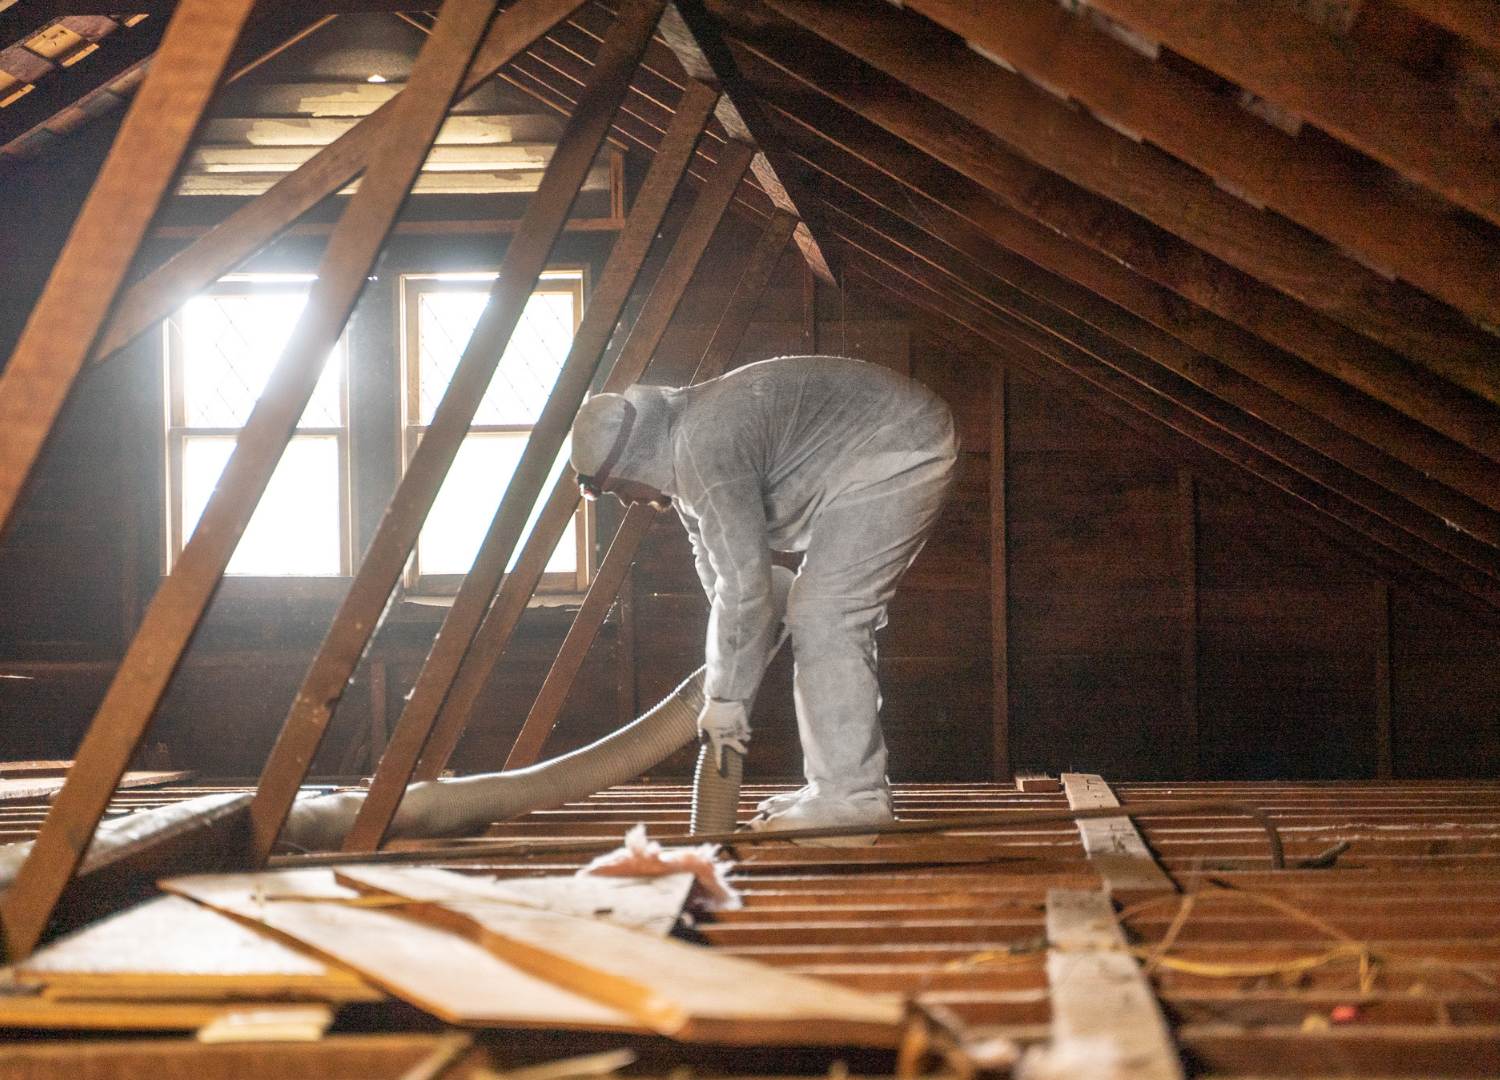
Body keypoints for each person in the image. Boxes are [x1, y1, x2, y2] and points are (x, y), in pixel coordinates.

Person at [570, 355, 957, 837]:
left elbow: (746, 581)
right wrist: (733, 661)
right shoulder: (683, 452)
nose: (626, 500)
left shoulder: (701, 446)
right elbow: (716, 568)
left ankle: (853, 800)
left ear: (630, 461)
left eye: (613, 488)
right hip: (876, 448)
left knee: (825, 613)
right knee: (815, 609)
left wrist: (726, 700)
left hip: (900, 445)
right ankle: (832, 789)